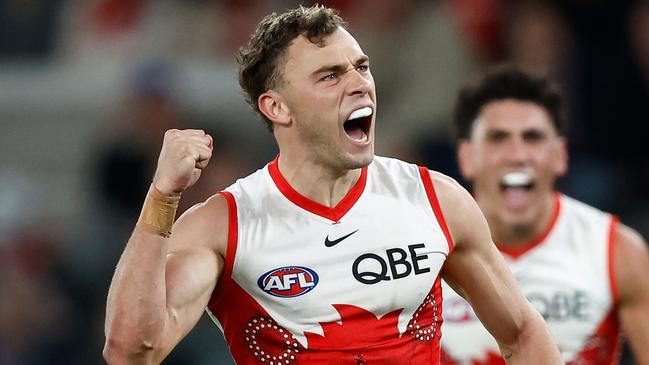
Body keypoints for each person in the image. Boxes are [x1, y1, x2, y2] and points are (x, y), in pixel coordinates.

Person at [103, 6, 561, 364]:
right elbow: (132, 351)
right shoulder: (225, 225)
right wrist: (162, 197)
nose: (359, 85)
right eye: (330, 76)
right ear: (277, 107)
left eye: (361, 67)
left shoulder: (434, 199)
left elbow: (522, 334)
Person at [439, 67, 649, 364]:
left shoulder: (616, 249)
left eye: (533, 137)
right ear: (466, 157)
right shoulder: (427, 248)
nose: (517, 154)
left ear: (561, 155)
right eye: (498, 138)